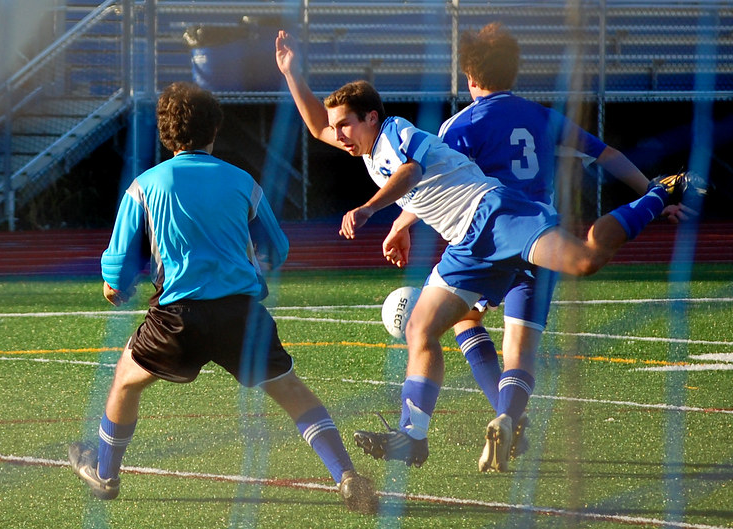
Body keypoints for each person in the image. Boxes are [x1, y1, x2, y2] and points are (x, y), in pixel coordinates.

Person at [274, 30, 701, 469]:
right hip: (467, 242)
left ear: (371, 117)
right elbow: (317, 126)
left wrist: (370, 209)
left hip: (497, 215)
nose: (338, 134)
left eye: (345, 124)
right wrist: (291, 73)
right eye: (337, 127)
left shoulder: (396, 130)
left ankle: (659, 193)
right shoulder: (368, 142)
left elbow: (411, 172)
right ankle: (413, 436)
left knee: (586, 260)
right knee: (420, 328)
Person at [68, 81, 378, 514]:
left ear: (166, 135)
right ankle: (346, 475)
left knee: (124, 380)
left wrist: (113, 286)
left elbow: (117, 269)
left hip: (177, 319)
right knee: (292, 392)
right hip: (241, 314)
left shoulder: (144, 186)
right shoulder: (242, 182)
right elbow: (278, 248)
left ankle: (105, 474)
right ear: (215, 129)